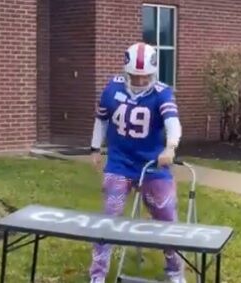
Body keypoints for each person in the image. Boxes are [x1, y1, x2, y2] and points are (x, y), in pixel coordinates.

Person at [88, 42, 185, 283]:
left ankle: (174, 270)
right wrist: (95, 148)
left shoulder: (162, 92)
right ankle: (97, 275)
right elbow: (101, 119)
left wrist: (170, 146)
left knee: (166, 216)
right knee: (109, 216)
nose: (140, 81)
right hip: (119, 163)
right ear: (126, 72)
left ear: (153, 73)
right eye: (135, 76)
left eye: (145, 77)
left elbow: (172, 121)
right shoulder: (112, 89)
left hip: (153, 165)